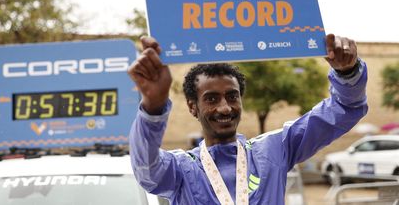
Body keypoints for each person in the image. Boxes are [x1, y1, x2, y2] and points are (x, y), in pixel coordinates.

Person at [128, 34, 368, 205]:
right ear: (193, 107)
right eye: (211, 99)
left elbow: (345, 107)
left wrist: (347, 73)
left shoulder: (275, 149)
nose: (224, 108)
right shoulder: (181, 169)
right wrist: (153, 105)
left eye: (232, 96)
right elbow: (145, 168)